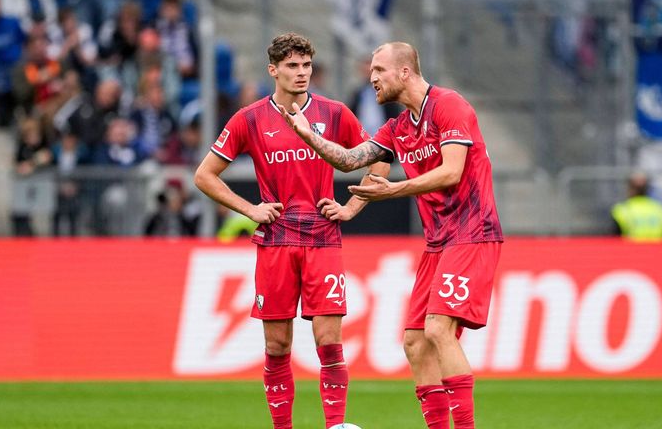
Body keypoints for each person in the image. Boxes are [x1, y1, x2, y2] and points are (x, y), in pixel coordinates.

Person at [279, 41, 504, 429]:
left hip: (472, 231)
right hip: (438, 242)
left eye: (379, 71)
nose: (372, 79)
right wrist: (307, 134)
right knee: (416, 343)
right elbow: (352, 160)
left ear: (404, 72)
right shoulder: (398, 128)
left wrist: (394, 190)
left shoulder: (449, 106)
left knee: (437, 329)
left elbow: (452, 171)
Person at [193, 33, 370, 429]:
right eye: (292, 66)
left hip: (323, 238)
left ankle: (336, 426)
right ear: (273, 70)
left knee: (329, 341)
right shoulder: (250, 118)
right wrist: (250, 208)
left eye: (306, 65)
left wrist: (352, 206)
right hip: (276, 240)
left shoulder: (336, 113)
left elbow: (377, 161)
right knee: (277, 346)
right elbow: (204, 175)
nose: (301, 73)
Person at [611, 171, 662, 242]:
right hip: (659, 251)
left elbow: (615, 239)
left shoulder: (622, 210)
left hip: (632, 250)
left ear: (630, 189)